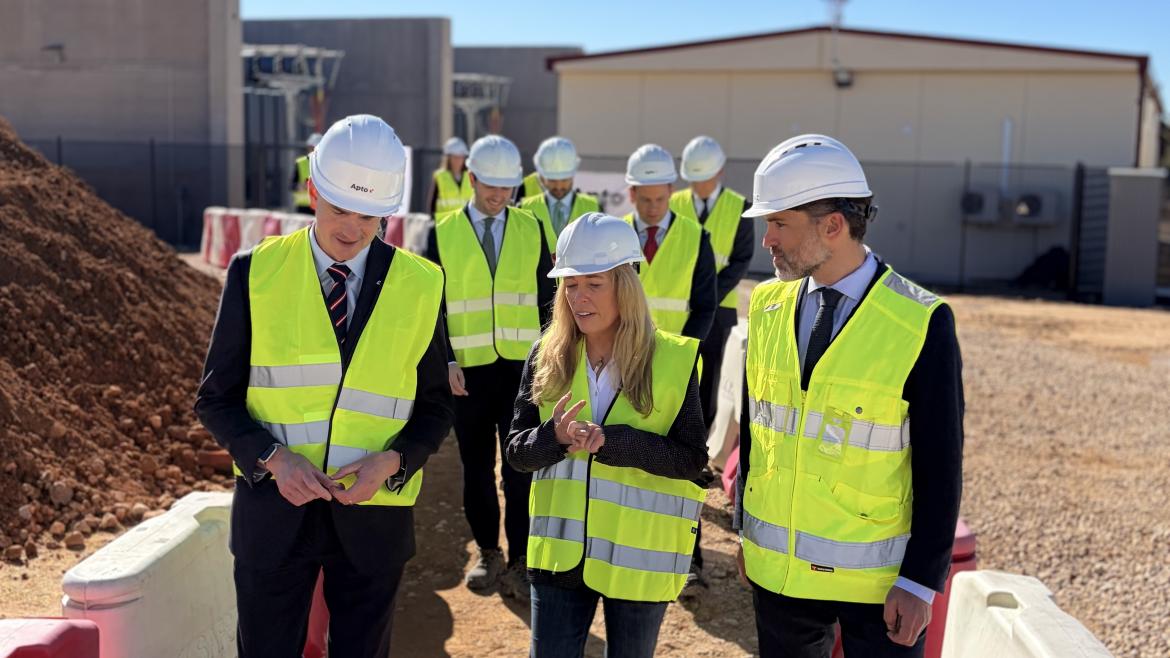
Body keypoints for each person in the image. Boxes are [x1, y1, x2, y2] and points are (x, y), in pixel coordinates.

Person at [195, 114, 454, 658]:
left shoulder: (423, 285)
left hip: (374, 516)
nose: (352, 229)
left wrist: (395, 463)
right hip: (273, 514)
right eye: (339, 209)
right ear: (313, 192)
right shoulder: (254, 273)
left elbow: (435, 406)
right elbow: (215, 399)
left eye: (369, 216)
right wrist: (274, 459)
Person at [734, 134, 964, 657]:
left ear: (833, 226)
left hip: (877, 585)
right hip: (780, 575)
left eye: (780, 223)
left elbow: (941, 462)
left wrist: (921, 581)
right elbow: (756, 430)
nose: (767, 240)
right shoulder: (766, 305)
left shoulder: (919, 321)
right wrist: (748, 533)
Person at [506, 213, 708, 658]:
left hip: (639, 560)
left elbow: (692, 460)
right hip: (559, 559)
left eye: (594, 284)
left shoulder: (673, 360)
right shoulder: (546, 355)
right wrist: (553, 438)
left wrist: (615, 442)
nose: (579, 298)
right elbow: (517, 453)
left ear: (625, 285)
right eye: (570, 285)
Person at [424, 134, 555, 599]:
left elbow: (548, 300)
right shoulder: (441, 232)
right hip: (468, 375)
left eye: (507, 187)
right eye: (491, 186)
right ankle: (488, 551)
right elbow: (431, 306)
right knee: (476, 467)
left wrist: (549, 359)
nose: (499, 196)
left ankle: (520, 559)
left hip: (522, 372)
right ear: (472, 179)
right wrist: (446, 360)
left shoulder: (531, 227)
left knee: (520, 469)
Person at [669, 136, 755, 431]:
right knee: (675, 371)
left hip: (719, 310)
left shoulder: (740, 207)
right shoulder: (673, 204)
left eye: (704, 179)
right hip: (677, 308)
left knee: (711, 376)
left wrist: (707, 295)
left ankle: (702, 435)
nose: (699, 186)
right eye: (694, 180)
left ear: (719, 172)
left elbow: (741, 260)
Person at [622, 143, 717, 341]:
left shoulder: (698, 238)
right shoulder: (615, 236)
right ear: (632, 194)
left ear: (671, 191)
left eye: (660, 199)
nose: (653, 208)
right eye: (646, 200)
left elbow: (705, 307)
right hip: (623, 349)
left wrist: (684, 350)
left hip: (677, 349)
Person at [519, 136, 600, 254]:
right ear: (541, 177)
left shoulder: (594, 207)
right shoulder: (524, 208)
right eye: (552, 180)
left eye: (564, 179)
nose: (558, 186)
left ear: (573, 175)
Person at [429, 136, 473, 215]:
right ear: (448, 158)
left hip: (465, 221)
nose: (458, 160)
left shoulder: (470, 176)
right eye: (455, 157)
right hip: (445, 221)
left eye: (460, 157)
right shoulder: (440, 177)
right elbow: (432, 204)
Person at [292, 132, 322, 215]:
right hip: (303, 207)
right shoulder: (300, 163)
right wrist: (300, 186)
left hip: (320, 206)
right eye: (312, 148)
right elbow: (292, 185)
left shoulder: (325, 164)